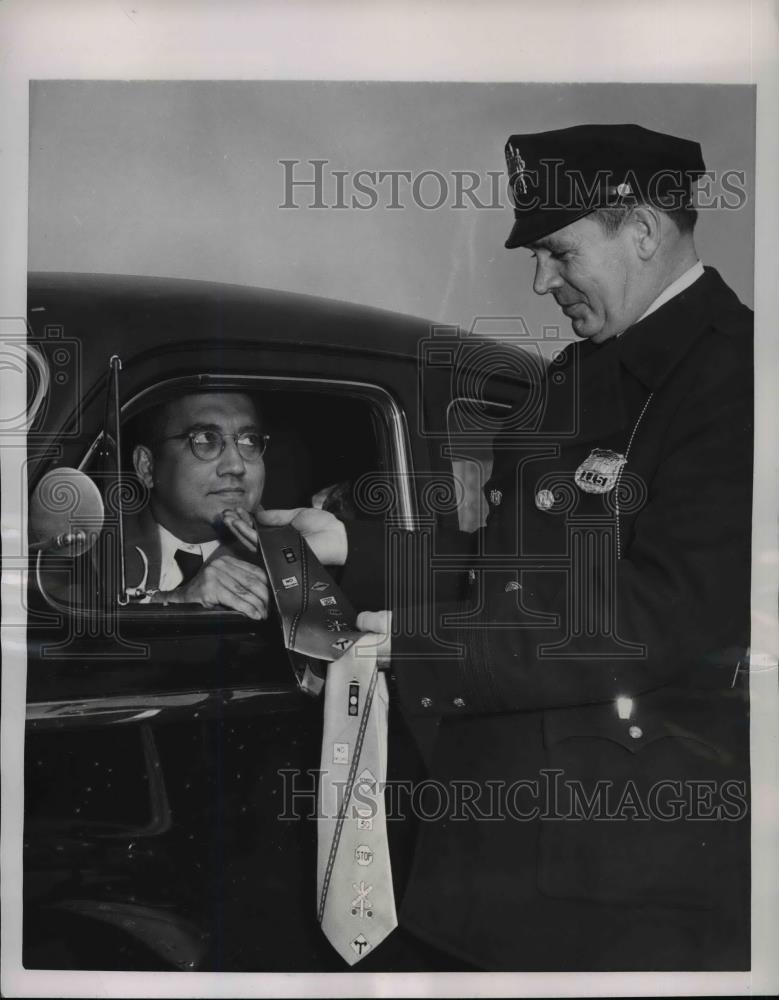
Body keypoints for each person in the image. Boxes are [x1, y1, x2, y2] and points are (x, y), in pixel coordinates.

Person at [255, 124, 753, 971]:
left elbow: (655, 617)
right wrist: (349, 543)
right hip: (509, 849)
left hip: (623, 871)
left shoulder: (737, 378)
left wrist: (416, 647)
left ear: (639, 230)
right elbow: (516, 565)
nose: (539, 279)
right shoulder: (581, 372)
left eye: (558, 252)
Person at [124, 390, 271, 617]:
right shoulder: (95, 543)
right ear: (147, 466)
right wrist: (170, 601)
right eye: (206, 439)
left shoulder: (287, 557)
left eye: (249, 441)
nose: (236, 466)